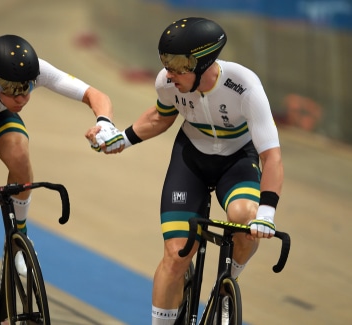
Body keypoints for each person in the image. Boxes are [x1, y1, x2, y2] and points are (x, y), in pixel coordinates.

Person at [86, 17, 283, 324]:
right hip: (191, 160)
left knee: (245, 217)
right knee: (176, 257)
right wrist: (122, 139)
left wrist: (267, 213)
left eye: (177, 65)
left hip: (238, 161)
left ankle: (225, 287)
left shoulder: (244, 86)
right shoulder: (167, 83)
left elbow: (271, 157)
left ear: (203, 63)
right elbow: (160, 116)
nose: (169, 72)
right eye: (165, 62)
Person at [0, 34, 124, 325]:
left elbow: (96, 95)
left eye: (28, 89)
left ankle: (18, 236)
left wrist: (105, 123)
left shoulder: (31, 71)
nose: (23, 98)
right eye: (15, 93)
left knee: (19, 152)